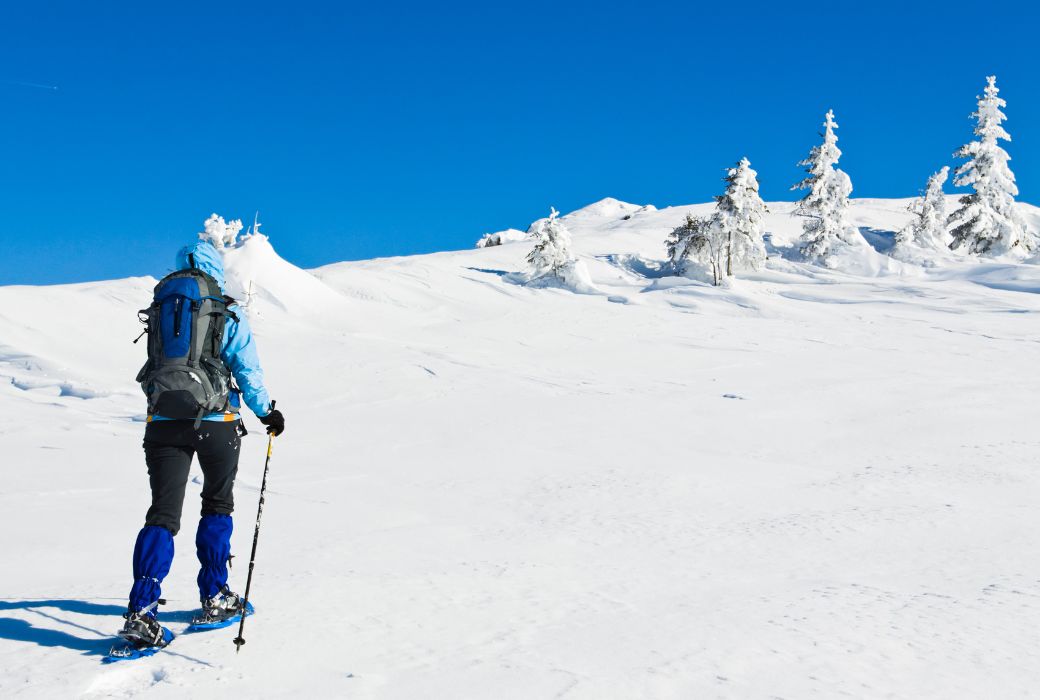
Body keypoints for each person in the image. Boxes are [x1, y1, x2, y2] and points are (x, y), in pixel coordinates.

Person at [119, 239, 285, 647]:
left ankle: (142, 611)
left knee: (162, 514)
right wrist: (267, 414)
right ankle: (214, 594)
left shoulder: (162, 309)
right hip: (217, 424)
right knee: (216, 504)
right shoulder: (226, 313)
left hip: (163, 423)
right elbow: (248, 371)